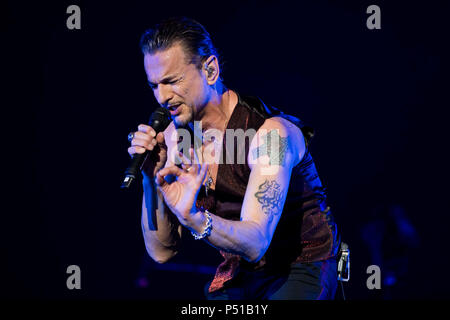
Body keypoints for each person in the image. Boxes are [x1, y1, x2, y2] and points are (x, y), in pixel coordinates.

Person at [127, 17, 340, 300]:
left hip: (302, 269)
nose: (162, 97)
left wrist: (194, 218)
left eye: (172, 81)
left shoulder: (272, 136)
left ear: (211, 70)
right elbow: (161, 252)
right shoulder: (174, 139)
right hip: (242, 275)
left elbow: (255, 242)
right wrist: (150, 178)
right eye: (154, 85)